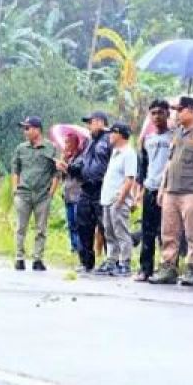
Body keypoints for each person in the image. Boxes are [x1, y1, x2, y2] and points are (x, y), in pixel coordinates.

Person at [152, 96, 193, 286]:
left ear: (191, 110)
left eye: (180, 110)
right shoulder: (178, 134)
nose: (176, 114)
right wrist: (162, 188)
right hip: (172, 191)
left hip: (192, 191)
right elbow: (169, 162)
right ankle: (168, 267)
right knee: (169, 232)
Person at [10, 116, 60, 271]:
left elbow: (56, 172)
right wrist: (15, 189)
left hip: (42, 195)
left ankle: (38, 258)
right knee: (21, 227)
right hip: (23, 193)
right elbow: (15, 170)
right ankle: (19, 257)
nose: (25, 131)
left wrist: (51, 192)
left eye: (28, 128)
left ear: (37, 130)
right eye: (24, 128)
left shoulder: (51, 148)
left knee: (41, 228)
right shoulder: (21, 148)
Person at [67, 111, 112, 272]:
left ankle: (111, 261)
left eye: (90, 122)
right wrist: (69, 167)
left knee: (105, 226)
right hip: (86, 188)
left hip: (102, 188)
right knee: (83, 225)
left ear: (100, 122)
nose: (88, 126)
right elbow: (82, 163)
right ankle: (86, 261)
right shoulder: (88, 142)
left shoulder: (110, 139)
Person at [134, 100, 172, 281]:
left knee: (166, 232)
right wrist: (140, 190)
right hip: (150, 188)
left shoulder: (174, 138)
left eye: (160, 113)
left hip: (169, 190)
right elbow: (143, 167)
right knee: (147, 230)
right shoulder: (147, 140)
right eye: (153, 113)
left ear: (168, 114)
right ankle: (145, 269)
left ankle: (167, 268)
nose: (157, 116)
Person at [98, 122, 138, 276]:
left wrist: (121, 199)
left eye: (112, 133)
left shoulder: (129, 153)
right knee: (109, 232)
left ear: (120, 134)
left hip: (118, 199)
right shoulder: (115, 153)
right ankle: (111, 261)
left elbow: (129, 178)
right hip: (108, 198)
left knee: (121, 232)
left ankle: (125, 263)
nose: (109, 136)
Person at [60, 133, 84, 256]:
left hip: (77, 194)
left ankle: (80, 247)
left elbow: (77, 172)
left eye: (68, 142)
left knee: (77, 222)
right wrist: (63, 160)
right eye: (65, 142)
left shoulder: (81, 157)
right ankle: (74, 247)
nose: (66, 145)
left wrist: (67, 166)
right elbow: (64, 176)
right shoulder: (68, 157)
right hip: (68, 195)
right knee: (70, 223)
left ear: (74, 143)